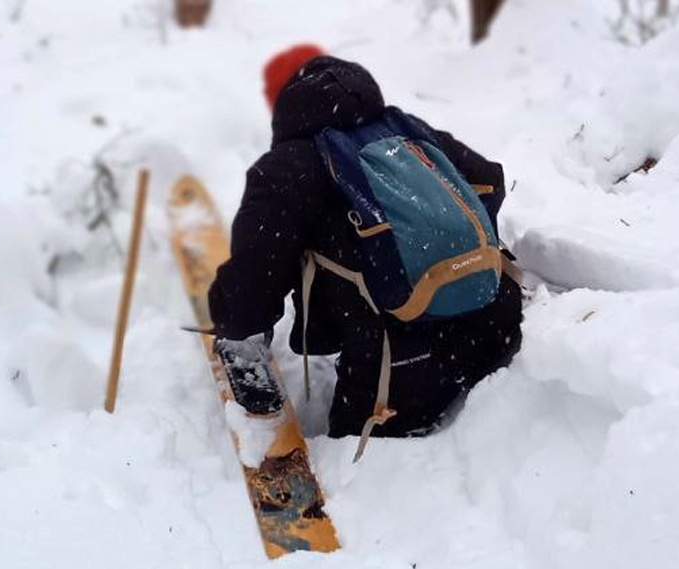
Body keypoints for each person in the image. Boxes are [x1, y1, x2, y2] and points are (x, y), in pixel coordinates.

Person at [208, 45, 522, 450]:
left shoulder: (286, 168)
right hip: (496, 329)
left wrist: (235, 329)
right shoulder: (408, 129)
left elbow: (254, 276)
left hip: (399, 376)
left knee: (368, 459)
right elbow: (488, 181)